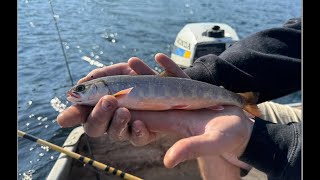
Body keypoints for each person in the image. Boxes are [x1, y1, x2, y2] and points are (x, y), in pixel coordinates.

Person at [57, 18, 301, 180]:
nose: (75, 94)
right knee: (209, 130)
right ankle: (241, 102)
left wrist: (269, 144)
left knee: (214, 130)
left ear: (102, 88)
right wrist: (201, 76)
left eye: (82, 89)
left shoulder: (116, 92)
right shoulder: (113, 93)